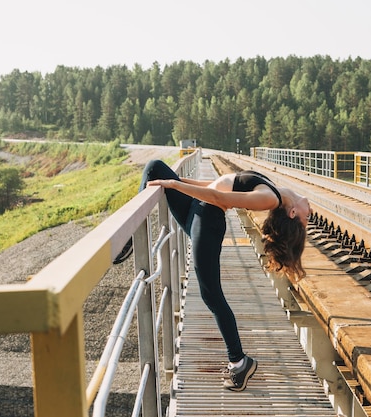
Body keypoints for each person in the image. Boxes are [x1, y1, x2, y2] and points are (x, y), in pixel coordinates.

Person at [118, 159, 311, 391]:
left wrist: (176, 185)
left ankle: (239, 362)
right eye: (308, 219)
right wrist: (177, 182)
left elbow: (220, 199)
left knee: (211, 295)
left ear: (292, 213)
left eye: (305, 219)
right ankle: (127, 239)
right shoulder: (276, 190)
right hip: (197, 210)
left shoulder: (270, 198)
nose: (309, 218)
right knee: (154, 168)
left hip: (207, 222)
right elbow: (218, 185)